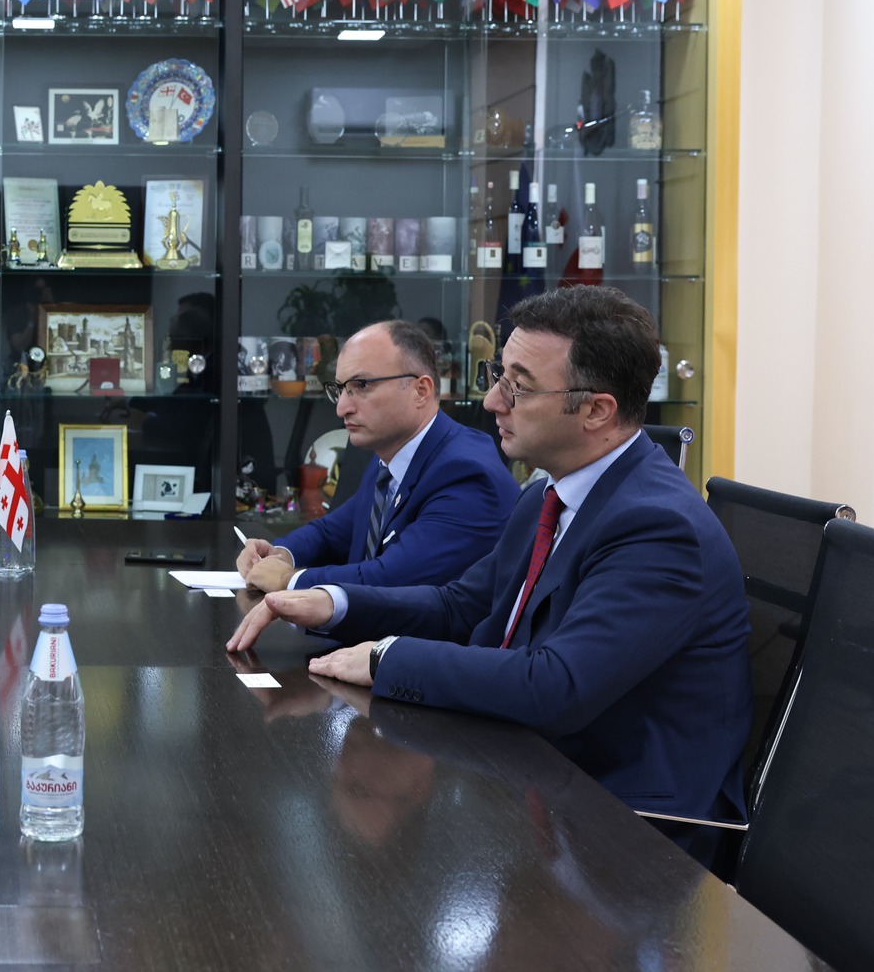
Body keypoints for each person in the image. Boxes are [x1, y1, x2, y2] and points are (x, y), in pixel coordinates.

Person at [227, 286, 750, 858]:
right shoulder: (545, 496)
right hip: (528, 777)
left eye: (518, 386)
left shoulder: (657, 528)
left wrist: (385, 658)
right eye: (498, 375)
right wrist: (334, 603)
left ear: (597, 410)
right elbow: (461, 605)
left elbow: (556, 686)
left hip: (628, 837)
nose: (493, 401)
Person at [236, 321, 518, 594]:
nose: (342, 408)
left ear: (421, 391)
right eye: (340, 390)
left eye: (361, 385)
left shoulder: (465, 473)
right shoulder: (390, 455)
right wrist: (280, 553)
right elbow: (333, 531)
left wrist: (289, 580)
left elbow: (392, 577)